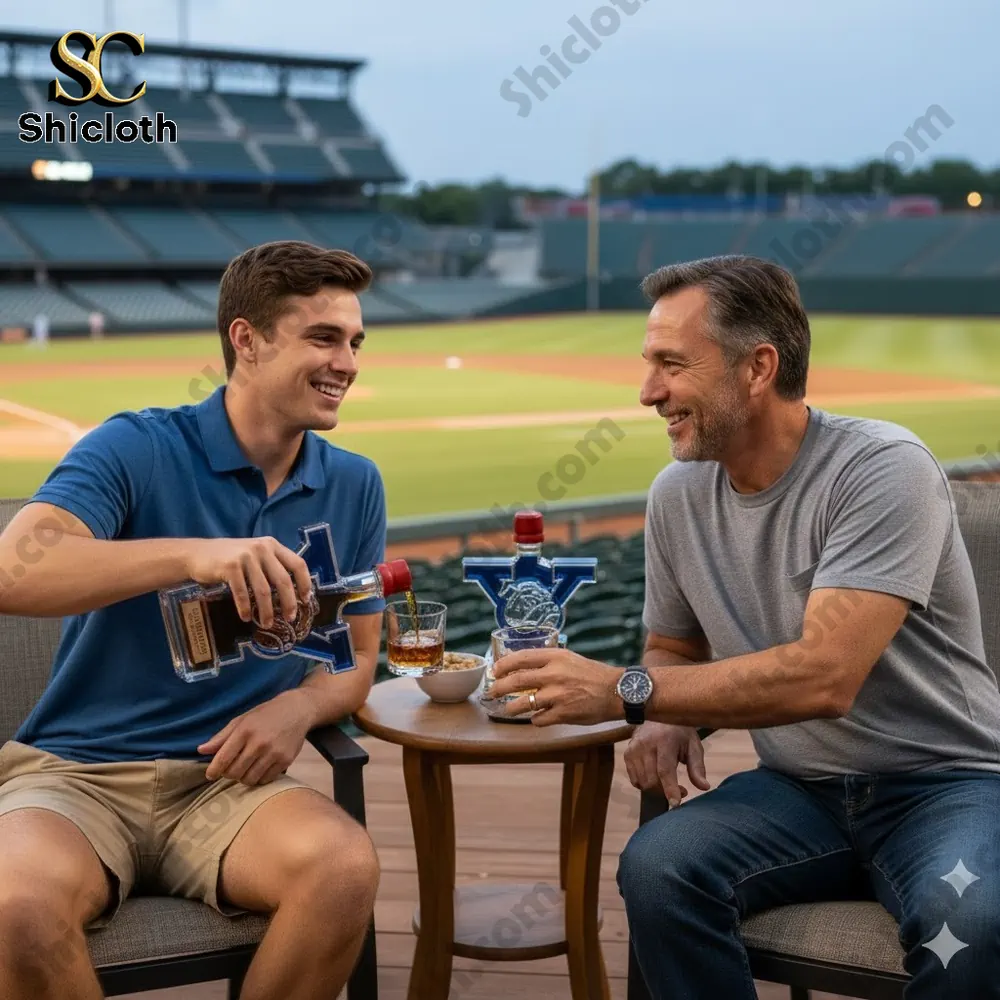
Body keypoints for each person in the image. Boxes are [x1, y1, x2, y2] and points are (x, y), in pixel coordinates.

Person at [491, 254, 1000, 999]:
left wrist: (631, 691)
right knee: (659, 868)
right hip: (800, 791)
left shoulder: (882, 468)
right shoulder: (678, 493)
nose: (646, 392)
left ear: (757, 368)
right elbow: (673, 643)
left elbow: (825, 676)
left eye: (671, 363)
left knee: (973, 921)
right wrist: (662, 713)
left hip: (946, 783)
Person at [0, 241, 386, 1000]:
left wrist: (299, 706)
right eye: (323, 337)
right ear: (246, 340)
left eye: (354, 341)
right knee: (15, 908)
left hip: (226, 786)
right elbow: (13, 571)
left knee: (344, 870)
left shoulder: (354, 484)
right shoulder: (136, 445)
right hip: (77, 774)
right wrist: (194, 555)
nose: (347, 361)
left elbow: (358, 659)